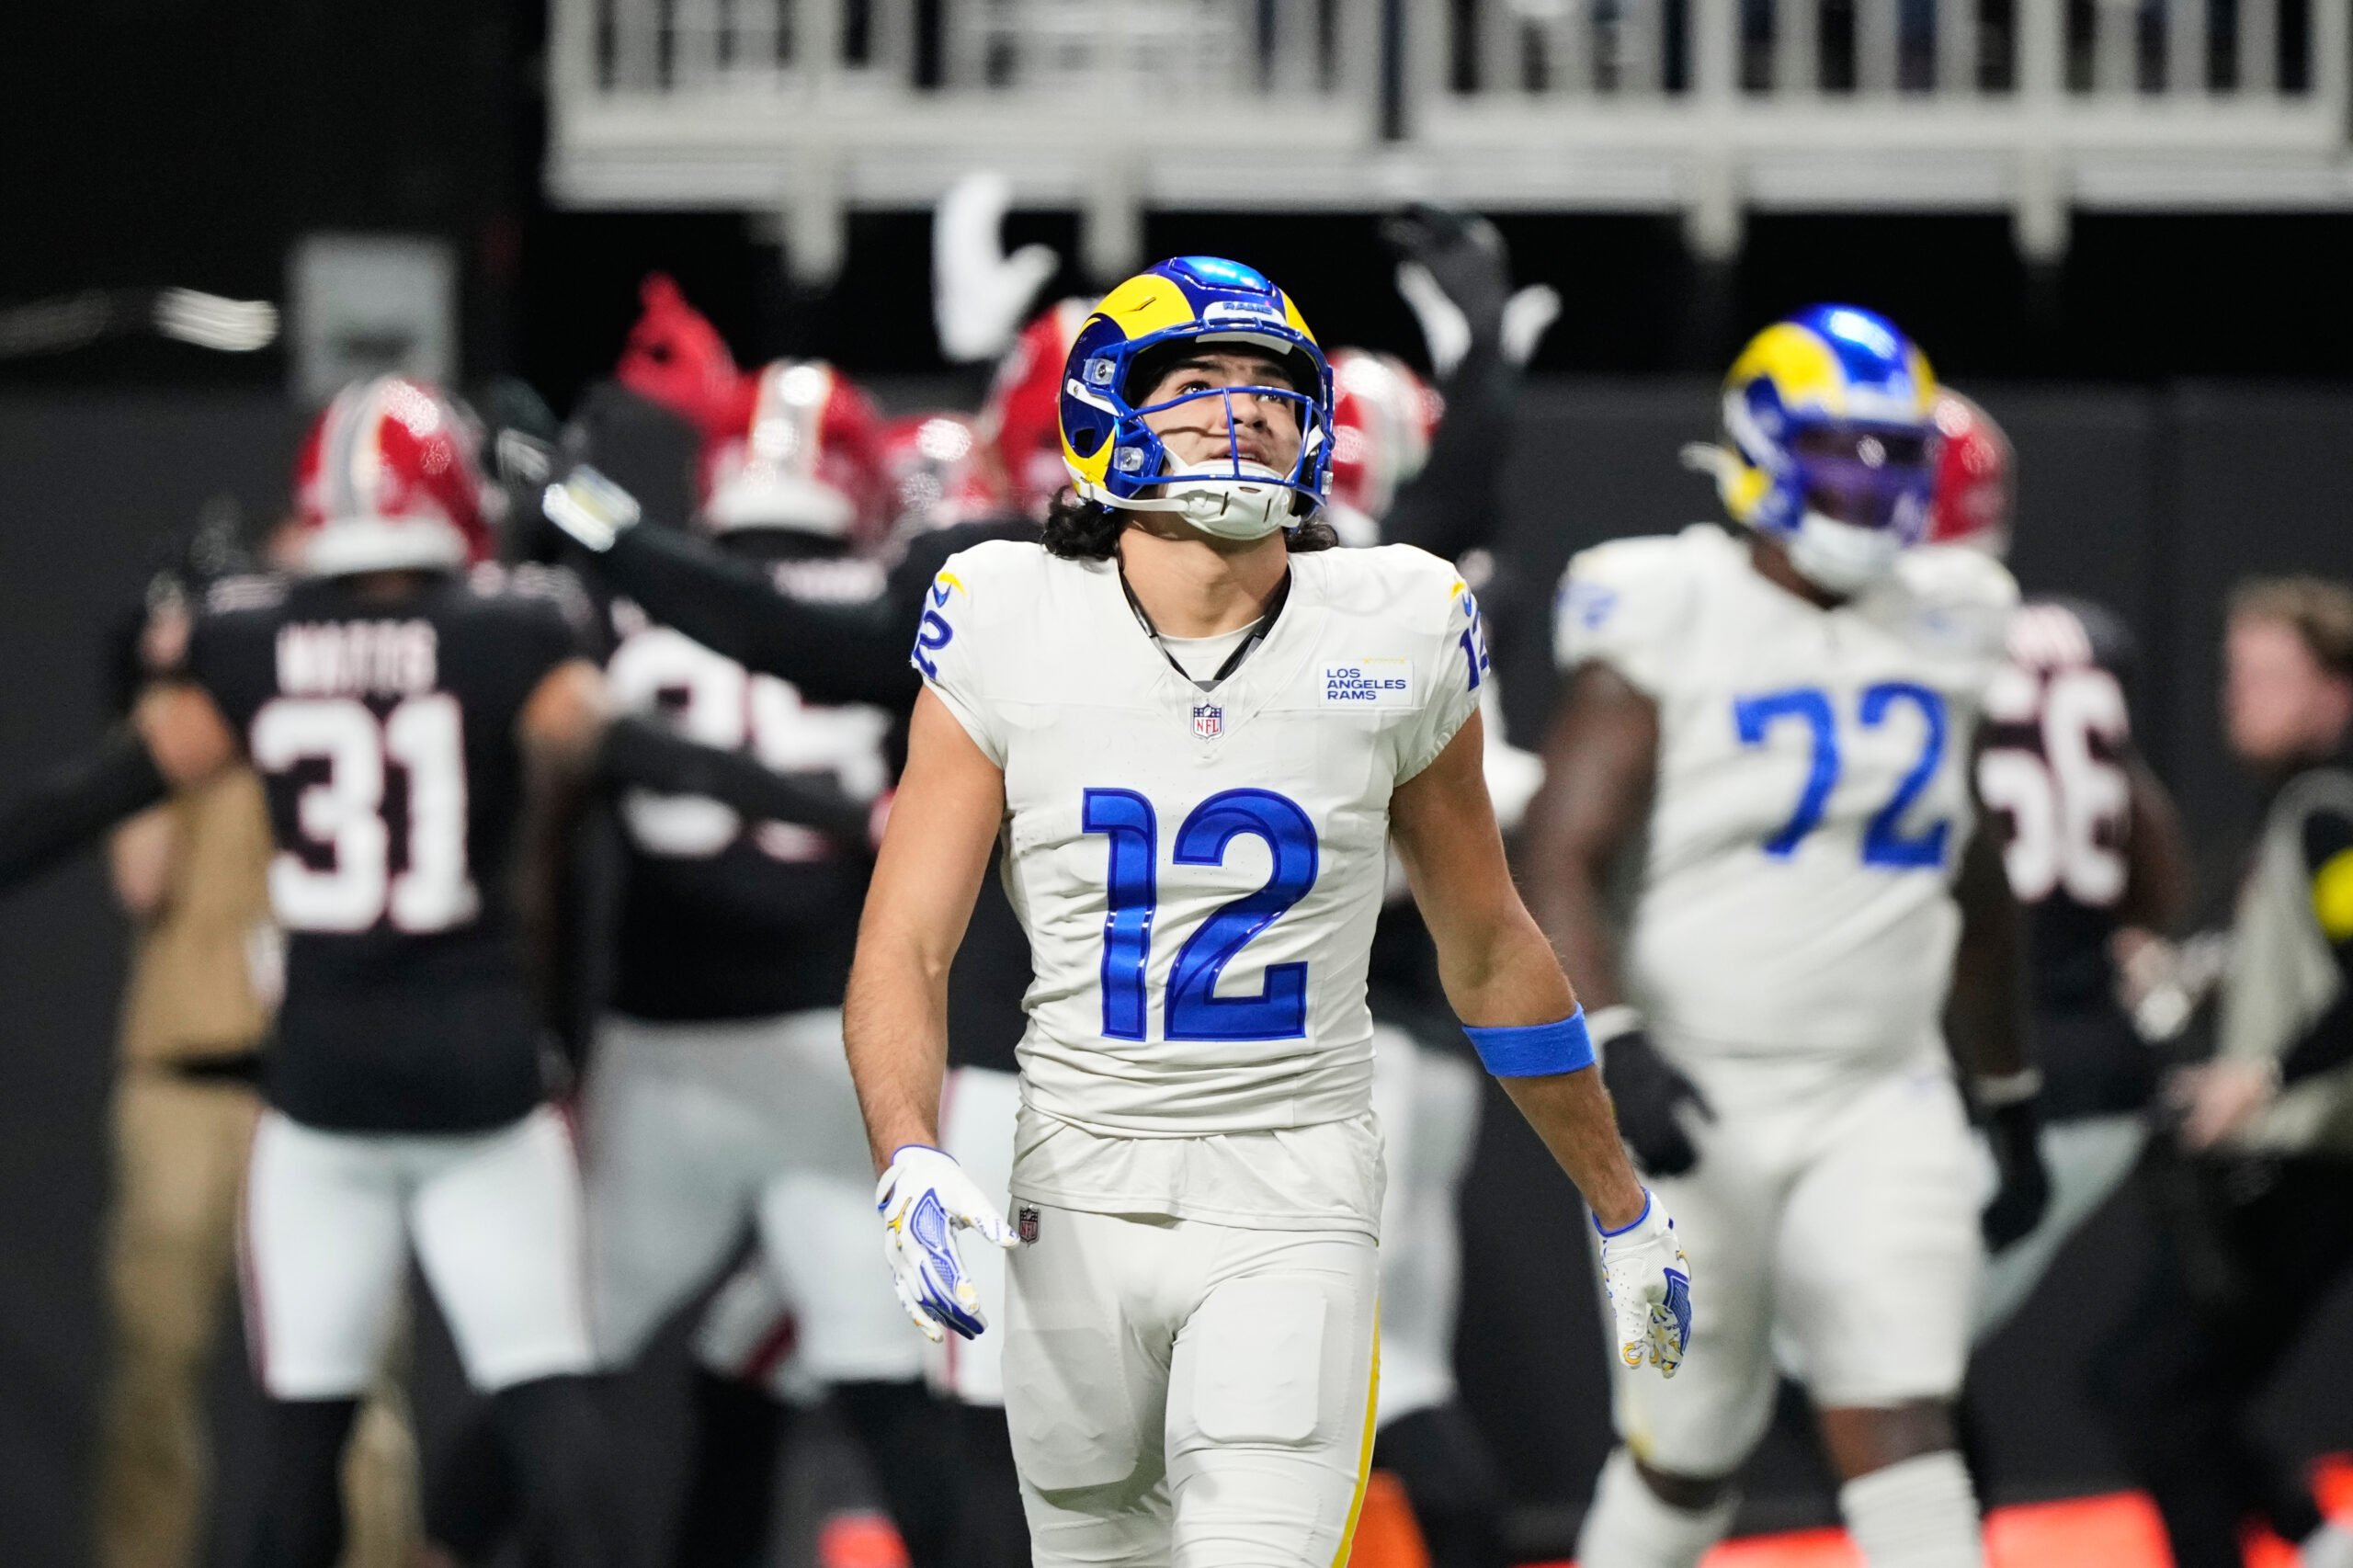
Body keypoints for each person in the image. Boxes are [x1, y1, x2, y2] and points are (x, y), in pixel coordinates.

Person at [836, 255, 1687, 1568]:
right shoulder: (1007, 612)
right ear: (1102, 410)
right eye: (1196, 384)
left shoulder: (1396, 622)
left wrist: (1619, 1199)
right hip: (1071, 1181)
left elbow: (1489, 942)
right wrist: (907, 1153)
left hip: (1292, 1182)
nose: (1240, 413)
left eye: (1269, 388)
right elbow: (906, 936)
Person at [0, 376, 847, 1568]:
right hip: (479, 1079)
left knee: (303, 1450)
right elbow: (650, 751)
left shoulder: (253, 639)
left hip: (323, 1087)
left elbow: (97, 795)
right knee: (552, 1419)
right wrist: (842, 810)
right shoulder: (510, 633)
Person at [1528, 306, 2045, 1568]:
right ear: (1757, 450)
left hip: (1884, 1089)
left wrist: (2008, 1088)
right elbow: (1555, 851)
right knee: (1688, 1448)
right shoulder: (1670, 603)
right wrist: (1610, 1044)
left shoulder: (1953, 615)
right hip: (1693, 1096)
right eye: (1839, 453)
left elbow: (1968, 872)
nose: (1869, 487)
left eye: (1892, 456)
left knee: (1905, 1411)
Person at [580, 356, 952, 1568]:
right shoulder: (904, 601)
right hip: (827, 1041)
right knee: (892, 1382)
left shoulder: (620, 595)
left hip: (656, 1040)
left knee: (552, 1356)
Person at [93, 517, 419, 1568]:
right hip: (186, 1080)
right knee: (153, 1373)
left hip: (321, 1081)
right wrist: (157, 697)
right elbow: (140, 876)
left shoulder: (343, 705)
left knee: (359, 1381)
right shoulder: (175, 725)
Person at [1917, 391, 2193, 1344]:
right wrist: (2136, 931)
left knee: (1866, 1364)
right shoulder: (2083, 636)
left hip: (1991, 1060)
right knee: (1898, 1365)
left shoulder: (1902, 646)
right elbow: (2142, 829)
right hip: (2096, 1055)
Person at [2093, 575, 2353, 1568]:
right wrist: (2178, 973)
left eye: (2269, 675)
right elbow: (2277, 959)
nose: (2238, 697)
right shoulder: (2286, 816)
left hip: (2307, 1163)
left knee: (2157, 1389)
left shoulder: (2329, 817)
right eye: (2234, 673)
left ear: (2333, 689)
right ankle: (2311, 1533)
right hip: (2280, 1160)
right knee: (2159, 1387)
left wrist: (2264, 1075)